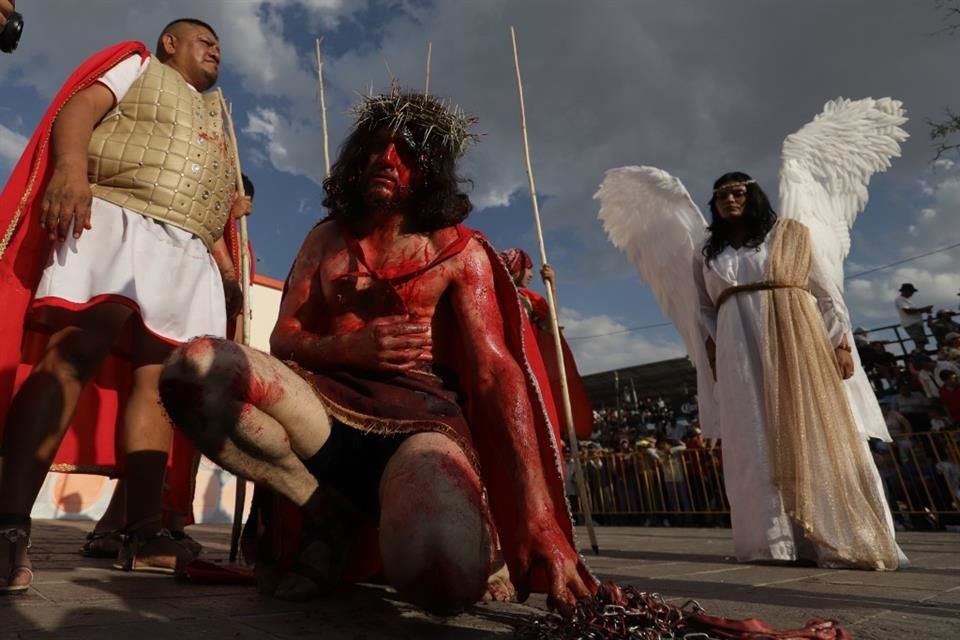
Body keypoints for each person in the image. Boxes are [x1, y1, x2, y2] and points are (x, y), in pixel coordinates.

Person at [158, 89, 594, 614]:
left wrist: (538, 515)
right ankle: (322, 512)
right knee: (194, 370)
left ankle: (446, 529)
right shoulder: (325, 240)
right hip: (320, 411)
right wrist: (352, 346)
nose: (387, 161)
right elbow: (284, 340)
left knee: (440, 579)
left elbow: (495, 375)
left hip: (421, 426)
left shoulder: (459, 252)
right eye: (377, 148)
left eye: (406, 153)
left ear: (430, 170)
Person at [0, 19, 240, 592]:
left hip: (186, 245)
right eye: (202, 40)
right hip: (115, 212)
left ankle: (142, 531)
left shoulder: (219, 119)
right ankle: (8, 523)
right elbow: (78, 109)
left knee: (159, 381)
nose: (215, 49)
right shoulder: (138, 65)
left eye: (220, 47)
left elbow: (208, 202)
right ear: (169, 44)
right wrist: (69, 169)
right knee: (76, 349)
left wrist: (227, 271)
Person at [694, 172, 903, 570]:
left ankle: (830, 536)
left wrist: (841, 343)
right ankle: (771, 543)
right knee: (752, 432)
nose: (729, 200)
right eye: (720, 195)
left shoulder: (788, 234)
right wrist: (712, 346)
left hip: (794, 333)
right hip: (736, 343)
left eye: (738, 192)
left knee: (806, 422)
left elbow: (826, 291)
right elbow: (702, 308)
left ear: (753, 196)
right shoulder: (708, 252)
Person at [499, 248, 593, 440]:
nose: (532, 274)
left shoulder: (530, 300)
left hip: (532, 368)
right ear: (513, 268)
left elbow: (551, 327)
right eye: (527, 268)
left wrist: (552, 286)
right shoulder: (494, 296)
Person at [895, 283, 932, 352]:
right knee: (920, 342)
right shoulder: (900, 299)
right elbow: (908, 311)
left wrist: (924, 310)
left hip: (916, 324)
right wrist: (923, 309)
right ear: (905, 291)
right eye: (911, 291)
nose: (912, 293)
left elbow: (913, 311)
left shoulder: (907, 300)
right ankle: (918, 356)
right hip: (911, 324)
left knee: (921, 342)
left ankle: (920, 355)